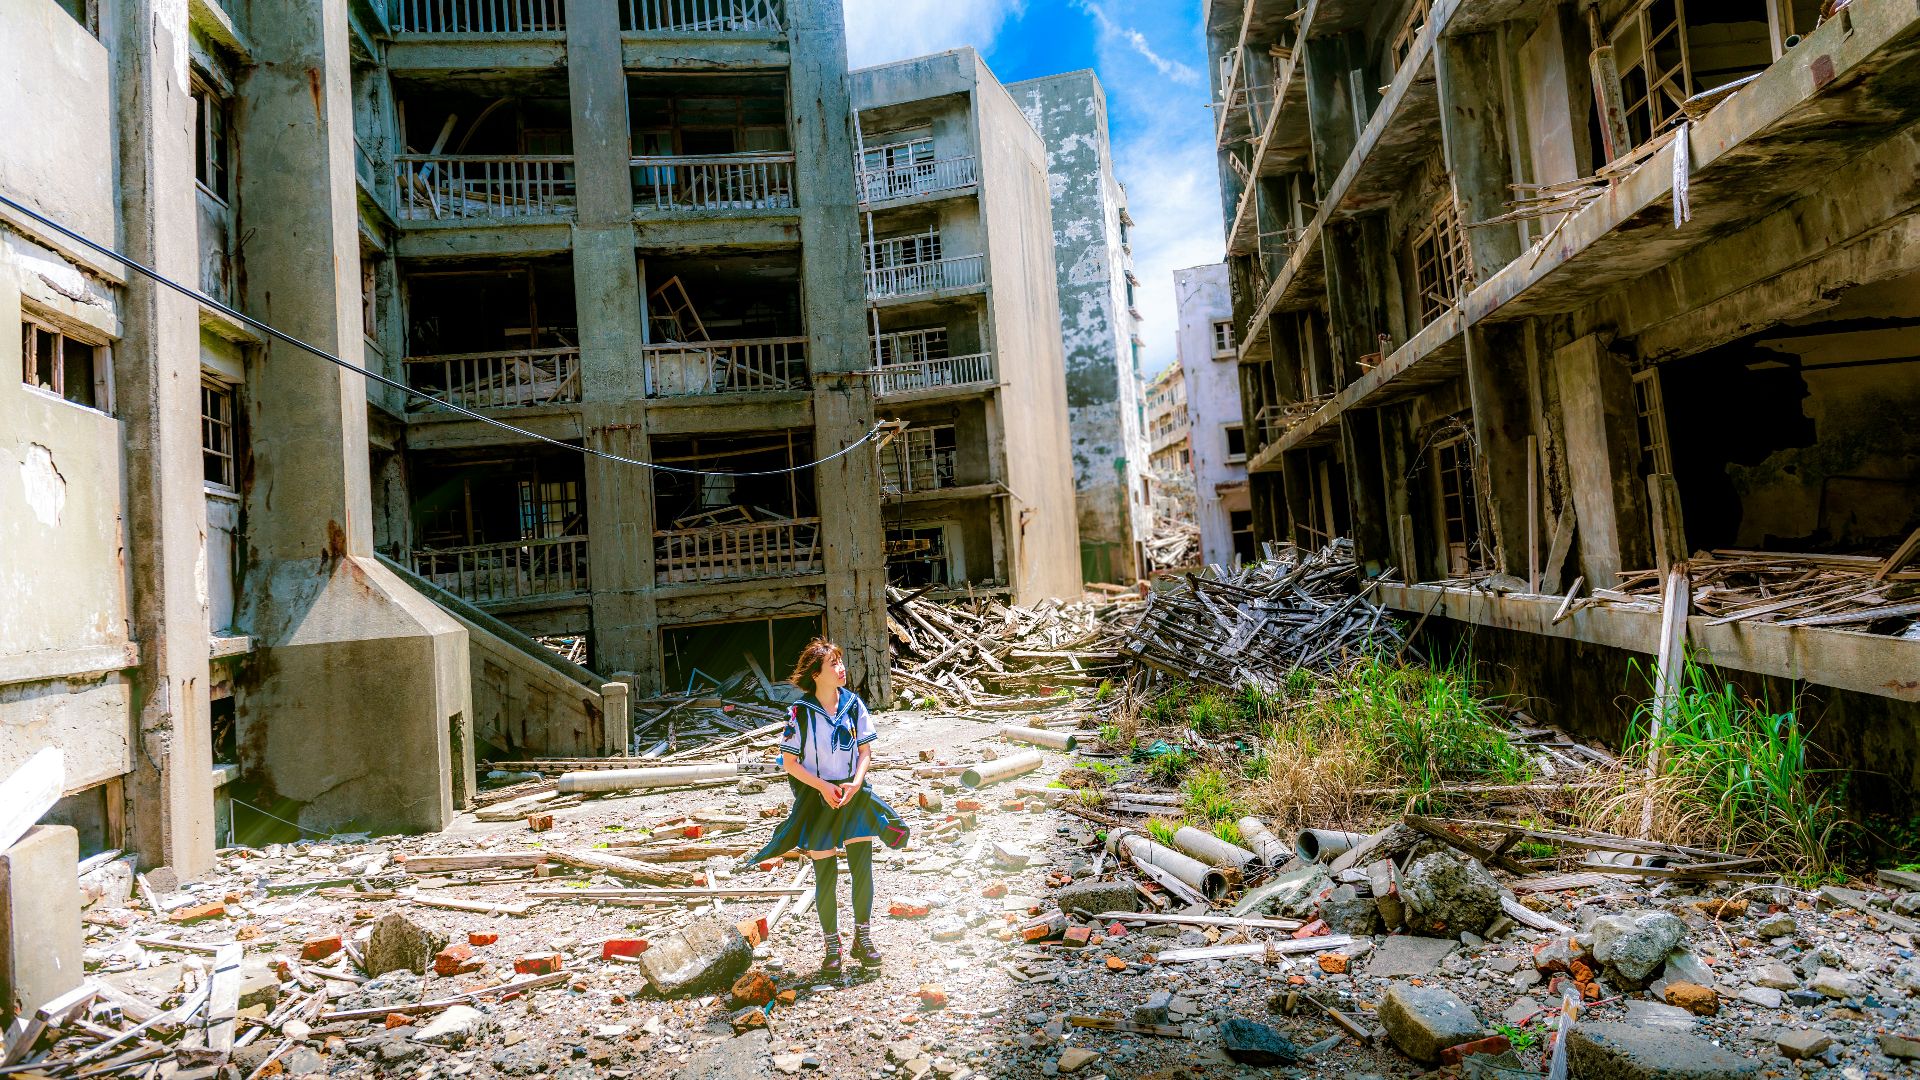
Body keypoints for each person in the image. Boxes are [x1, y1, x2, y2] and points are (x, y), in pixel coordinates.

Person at [749, 639, 908, 976]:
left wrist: (854, 783)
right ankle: (831, 947)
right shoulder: (800, 712)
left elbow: (865, 753)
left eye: (840, 661)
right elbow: (790, 763)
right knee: (826, 876)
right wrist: (822, 787)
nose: (841, 668)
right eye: (833, 663)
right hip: (818, 800)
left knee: (862, 869)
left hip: (854, 796)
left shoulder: (854, 705)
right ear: (817, 674)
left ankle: (862, 939)